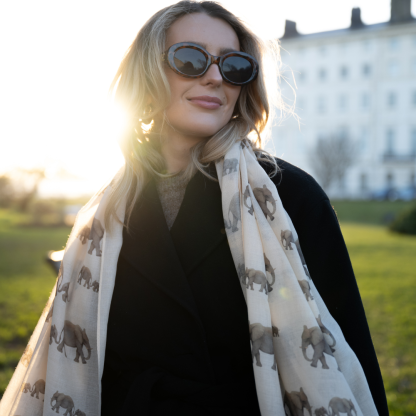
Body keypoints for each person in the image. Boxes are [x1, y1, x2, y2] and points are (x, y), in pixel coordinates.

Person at [0, 2, 388, 416]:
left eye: (235, 66)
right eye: (189, 59)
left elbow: (347, 351)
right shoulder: (107, 210)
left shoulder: (289, 197)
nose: (215, 77)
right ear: (147, 74)